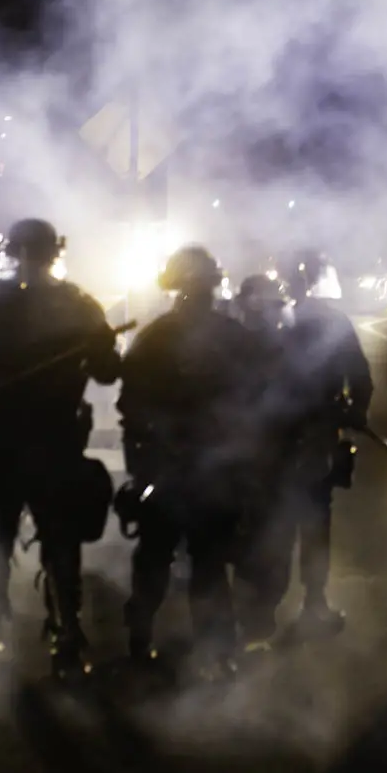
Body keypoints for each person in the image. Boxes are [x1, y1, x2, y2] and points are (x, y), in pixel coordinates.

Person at [0, 218, 119, 681]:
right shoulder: (76, 303)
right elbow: (108, 371)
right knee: (59, 537)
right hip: (49, 437)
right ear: (54, 252)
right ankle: (66, 632)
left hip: (2, 438)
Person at [119, 245, 260, 680]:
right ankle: (215, 652)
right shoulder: (234, 336)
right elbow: (258, 403)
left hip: (173, 469)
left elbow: (131, 409)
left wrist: (140, 471)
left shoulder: (153, 337)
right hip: (211, 470)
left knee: (157, 561)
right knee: (208, 564)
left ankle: (141, 644)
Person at [275, 249, 373, 633]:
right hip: (308, 434)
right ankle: (311, 602)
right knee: (313, 518)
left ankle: (268, 607)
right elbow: (361, 379)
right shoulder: (332, 321)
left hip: (277, 436)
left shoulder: (271, 320)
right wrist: (354, 414)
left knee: (284, 517)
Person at [228, 273, 300, 647]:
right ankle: (252, 618)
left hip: (264, 461)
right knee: (258, 541)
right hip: (248, 460)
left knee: (263, 541)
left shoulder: (280, 347)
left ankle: (253, 618)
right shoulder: (234, 344)